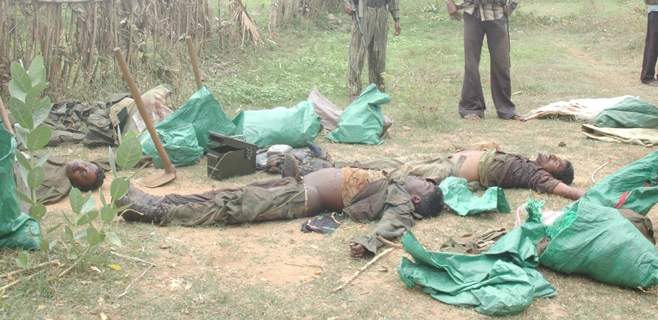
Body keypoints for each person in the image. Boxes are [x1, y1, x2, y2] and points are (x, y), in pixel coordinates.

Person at [116, 167, 444, 258]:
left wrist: (368, 242)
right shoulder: (397, 180)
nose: (422, 178)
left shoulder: (401, 202)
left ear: (416, 199)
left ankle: (155, 214)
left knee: (234, 205)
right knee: (227, 193)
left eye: (425, 184)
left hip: (302, 197)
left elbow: (391, 225)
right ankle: (159, 200)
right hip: (297, 184)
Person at [445, 0, 531, 120]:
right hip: (472, 14)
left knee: (501, 62)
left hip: (497, 15)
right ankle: (472, 109)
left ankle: (506, 110)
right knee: (471, 63)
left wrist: (513, 5)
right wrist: (450, 0)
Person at [287, 146, 584, 200]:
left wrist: (592, 197)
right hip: (446, 159)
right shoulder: (526, 162)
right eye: (557, 155)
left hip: (447, 169)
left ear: (552, 175)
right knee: (389, 159)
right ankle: (320, 165)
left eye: (556, 162)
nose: (552, 156)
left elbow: (565, 191)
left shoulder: (536, 177)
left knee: (392, 170)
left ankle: (313, 169)